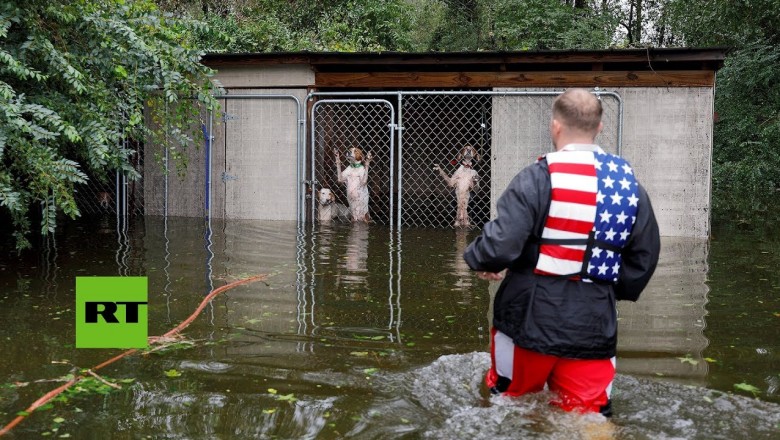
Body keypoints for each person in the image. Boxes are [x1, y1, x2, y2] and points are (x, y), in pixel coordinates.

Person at [463, 88, 661, 417]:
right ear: (599, 128)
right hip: (594, 320)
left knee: (510, 404)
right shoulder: (628, 186)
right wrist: (607, 289)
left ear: (555, 126)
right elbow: (644, 257)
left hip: (529, 316)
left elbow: (501, 244)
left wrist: (483, 260)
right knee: (589, 416)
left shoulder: (537, 177)